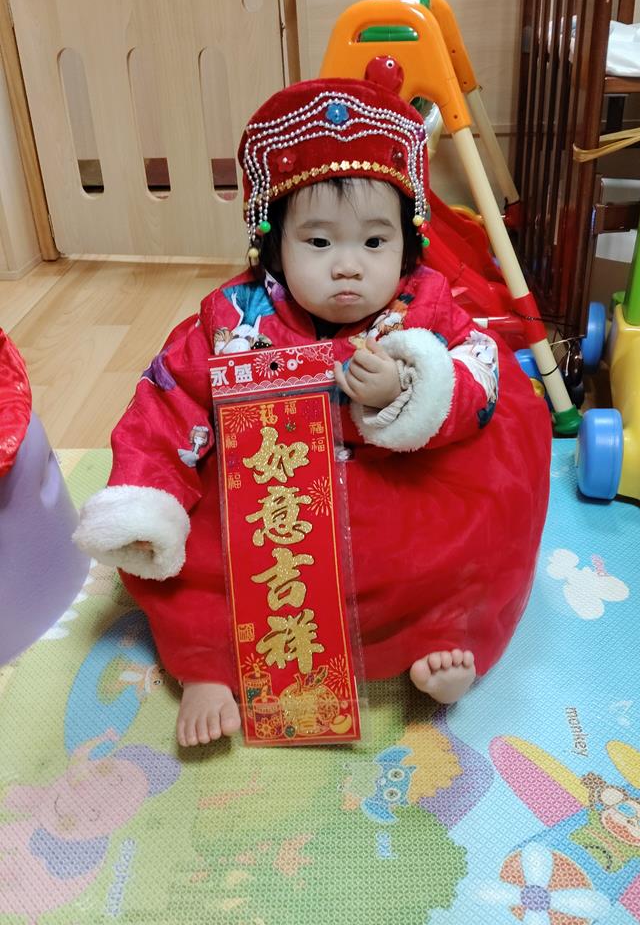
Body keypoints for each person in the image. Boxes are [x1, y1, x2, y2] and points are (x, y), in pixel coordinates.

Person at [74, 75, 551, 748]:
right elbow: (166, 399)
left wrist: (409, 388)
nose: (348, 267)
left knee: (466, 536)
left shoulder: (425, 309)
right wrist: (149, 499)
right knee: (194, 563)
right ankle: (207, 666)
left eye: (374, 243)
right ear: (272, 244)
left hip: (390, 490)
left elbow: (481, 371)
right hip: (268, 504)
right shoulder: (232, 320)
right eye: (319, 243)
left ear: (408, 243)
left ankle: (442, 641)